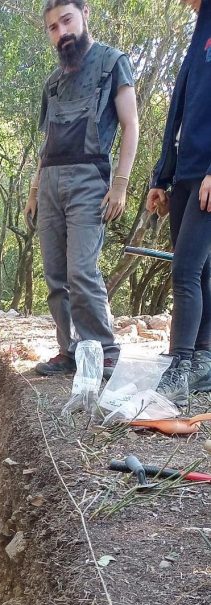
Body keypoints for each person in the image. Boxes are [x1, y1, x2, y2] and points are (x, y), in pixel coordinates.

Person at [24, 0, 139, 378]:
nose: (62, 32)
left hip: (90, 179)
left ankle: (104, 348)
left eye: (67, 20)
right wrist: (34, 189)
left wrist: (120, 184)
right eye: (53, 27)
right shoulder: (52, 82)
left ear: (85, 15)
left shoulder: (112, 62)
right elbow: (48, 144)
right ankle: (69, 350)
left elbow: (131, 125)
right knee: (55, 273)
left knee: (81, 270)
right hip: (51, 183)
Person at [147, 0, 211, 407]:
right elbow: (181, 111)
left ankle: (180, 366)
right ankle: (204, 359)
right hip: (185, 172)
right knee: (202, 271)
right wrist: (161, 177)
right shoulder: (199, 27)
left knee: (185, 271)